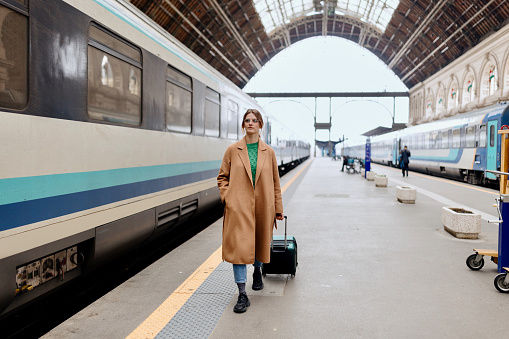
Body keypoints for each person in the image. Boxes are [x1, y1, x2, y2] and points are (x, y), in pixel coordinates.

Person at [217, 109, 284, 314]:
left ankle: (257, 270)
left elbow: (275, 182)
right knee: (239, 249)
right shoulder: (232, 150)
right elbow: (222, 178)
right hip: (239, 207)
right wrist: (228, 198)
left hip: (263, 205)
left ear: (260, 125)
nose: (251, 123)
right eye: (247, 120)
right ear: (243, 125)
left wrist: (278, 208)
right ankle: (242, 293)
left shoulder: (269, 152)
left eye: (255, 120)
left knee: (258, 242)